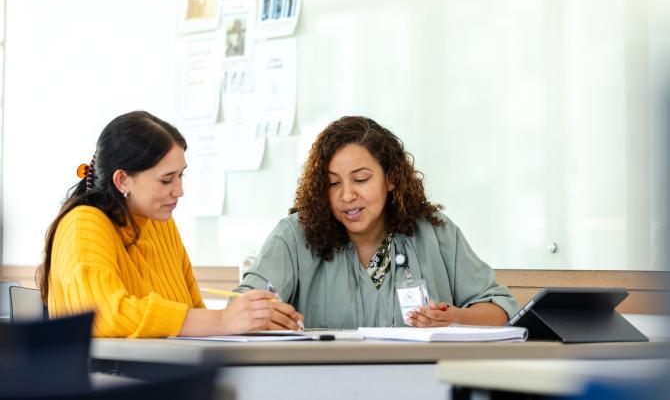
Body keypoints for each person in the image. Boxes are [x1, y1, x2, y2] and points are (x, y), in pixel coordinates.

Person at [236, 116, 519, 328]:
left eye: (361, 179)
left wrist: (455, 319)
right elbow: (239, 306)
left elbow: (500, 308)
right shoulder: (294, 236)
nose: (347, 195)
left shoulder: (434, 233)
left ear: (392, 179)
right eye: (333, 183)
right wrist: (260, 315)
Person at [37, 111, 280, 338]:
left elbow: (194, 309)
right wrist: (223, 321)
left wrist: (253, 320)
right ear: (122, 180)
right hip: (106, 379)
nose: (179, 191)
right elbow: (101, 315)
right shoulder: (83, 224)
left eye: (181, 176)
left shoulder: (161, 223)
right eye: (166, 180)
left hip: (165, 371)